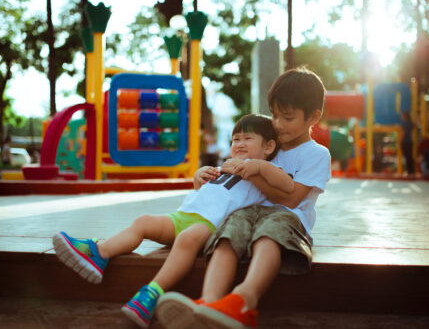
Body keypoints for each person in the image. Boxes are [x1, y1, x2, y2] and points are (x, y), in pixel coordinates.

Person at [51, 114, 294, 328]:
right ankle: (99, 253)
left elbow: (286, 184)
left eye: (247, 139)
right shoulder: (226, 166)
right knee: (144, 221)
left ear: (269, 146)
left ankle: (151, 294)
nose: (239, 144)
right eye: (235, 139)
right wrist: (199, 177)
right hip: (182, 216)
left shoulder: (263, 173)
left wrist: (256, 165)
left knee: (187, 239)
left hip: (209, 225)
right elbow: (204, 191)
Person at [153, 67, 331, 328]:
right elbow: (234, 175)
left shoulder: (316, 154)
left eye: (288, 117)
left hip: (288, 217)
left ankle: (244, 301)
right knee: (227, 233)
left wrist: (255, 170)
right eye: (274, 115)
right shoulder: (269, 143)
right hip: (248, 211)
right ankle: (209, 303)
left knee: (269, 234)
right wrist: (206, 176)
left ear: (313, 117)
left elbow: (291, 200)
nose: (278, 124)